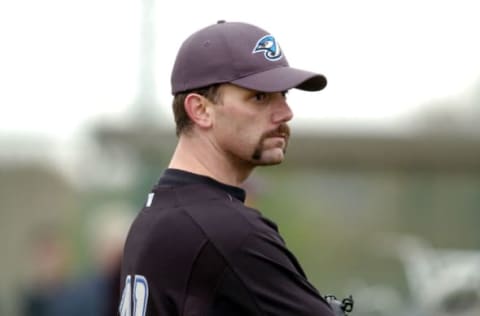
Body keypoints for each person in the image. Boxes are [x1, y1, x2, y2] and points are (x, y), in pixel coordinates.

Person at [119, 20, 343, 316]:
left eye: (284, 95)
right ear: (200, 110)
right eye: (259, 96)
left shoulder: (156, 216)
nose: (285, 113)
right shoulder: (229, 233)